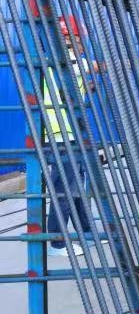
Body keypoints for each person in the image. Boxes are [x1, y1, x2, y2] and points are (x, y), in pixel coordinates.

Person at [44, 16, 94, 257]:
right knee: (64, 189)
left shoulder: (51, 62)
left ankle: (86, 232)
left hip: (70, 135)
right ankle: (57, 243)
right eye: (80, 40)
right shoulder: (68, 62)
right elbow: (98, 67)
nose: (82, 45)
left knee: (76, 186)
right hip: (61, 135)